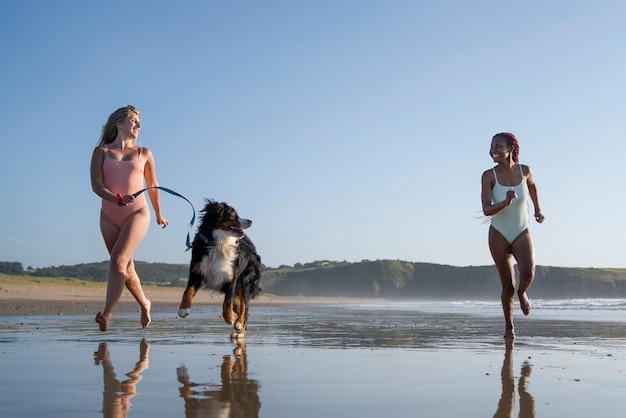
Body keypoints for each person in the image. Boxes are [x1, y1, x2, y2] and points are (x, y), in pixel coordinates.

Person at [90, 105, 168, 331]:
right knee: (126, 268)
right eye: (133, 120)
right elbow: (96, 185)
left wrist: (159, 214)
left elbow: (153, 186)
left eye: (139, 121)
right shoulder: (101, 152)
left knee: (117, 261)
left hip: (137, 212)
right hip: (109, 214)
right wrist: (115, 199)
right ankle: (145, 303)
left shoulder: (144, 153)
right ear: (119, 124)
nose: (138, 125)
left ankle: (106, 315)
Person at [481, 132, 544, 339]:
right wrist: (505, 202)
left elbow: (532, 187)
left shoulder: (525, 171)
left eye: (498, 146)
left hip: (521, 230)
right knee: (507, 286)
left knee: (528, 273)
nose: (493, 150)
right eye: (492, 147)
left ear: (510, 148)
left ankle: (523, 292)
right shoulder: (489, 176)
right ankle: (509, 327)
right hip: (498, 233)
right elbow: (486, 209)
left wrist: (537, 209)